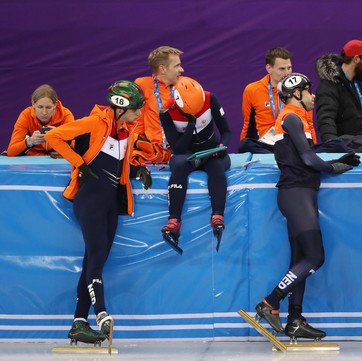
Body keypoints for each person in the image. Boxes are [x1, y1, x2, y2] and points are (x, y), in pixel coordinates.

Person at [254, 73, 360, 341]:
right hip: (297, 193)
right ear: (296, 94)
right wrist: (334, 166)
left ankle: (295, 320)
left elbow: (307, 158)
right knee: (315, 257)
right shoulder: (291, 116)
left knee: (299, 260)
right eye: (308, 90)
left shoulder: (297, 118)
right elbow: (309, 160)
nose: (314, 95)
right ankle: (270, 301)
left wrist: (334, 160)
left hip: (299, 193)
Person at [45, 80, 152, 344]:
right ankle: (102, 314)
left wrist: (139, 171)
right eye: (136, 108)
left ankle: (79, 323)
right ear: (120, 107)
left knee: (94, 261)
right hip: (90, 200)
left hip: (110, 205)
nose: (139, 113)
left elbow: (117, 166)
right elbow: (52, 136)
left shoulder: (124, 132)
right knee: (95, 259)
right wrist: (78, 163)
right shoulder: (95, 123)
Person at [158, 76, 232, 251]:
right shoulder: (166, 111)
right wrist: (191, 125)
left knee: (216, 166)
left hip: (212, 151)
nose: (198, 114)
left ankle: (217, 216)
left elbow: (227, 132)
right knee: (180, 165)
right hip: (186, 153)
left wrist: (221, 147)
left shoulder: (210, 98)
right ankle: (174, 221)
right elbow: (177, 148)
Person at [315, 39, 362, 152]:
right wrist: (334, 148)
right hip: (345, 151)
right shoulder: (329, 86)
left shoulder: (360, 85)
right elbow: (326, 119)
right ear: (356, 59)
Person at [133, 46, 184, 164]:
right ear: (162, 69)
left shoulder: (185, 86)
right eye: (176, 65)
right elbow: (136, 123)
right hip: (151, 153)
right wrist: (141, 145)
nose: (181, 69)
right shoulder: (142, 85)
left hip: (179, 151)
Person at [7, 84, 74, 156]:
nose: (44, 112)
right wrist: (30, 141)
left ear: (55, 105)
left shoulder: (66, 115)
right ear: (33, 104)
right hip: (33, 157)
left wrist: (60, 135)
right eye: (40, 107)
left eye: (48, 107)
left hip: (57, 157)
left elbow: (77, 149)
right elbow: (11, 151)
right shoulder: (26, 115)